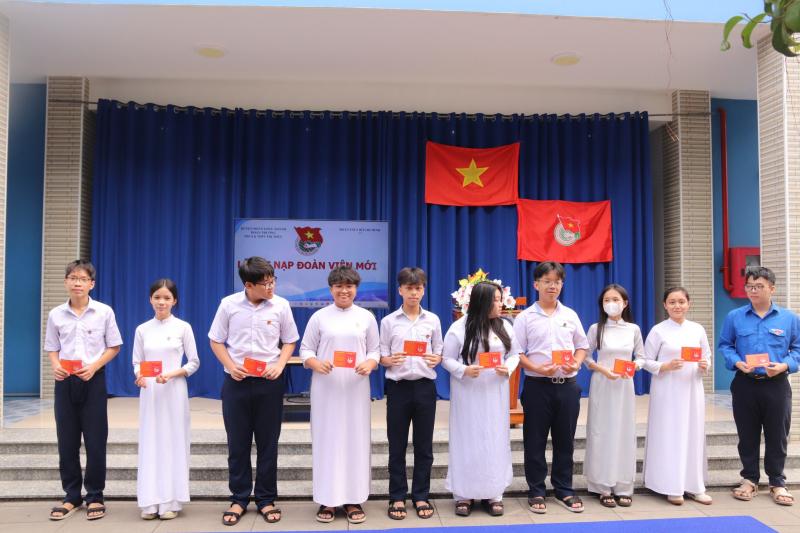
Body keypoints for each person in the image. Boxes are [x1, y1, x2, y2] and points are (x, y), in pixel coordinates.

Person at [208, 257, 299, 526]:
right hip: (236, 382)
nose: (271, 287)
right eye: (265, 283)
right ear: (248, 285)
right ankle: (238, 499)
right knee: (237, 443)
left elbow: (290, 340)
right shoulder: (229, 305)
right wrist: (230, 365)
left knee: (268, 443)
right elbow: (215, 340)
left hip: (269, 383)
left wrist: (279, 365)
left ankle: (266, 499)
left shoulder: (281, 305)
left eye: (273, 281)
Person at [300, 265, 380, 524]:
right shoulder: (319, 317)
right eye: (339, 286)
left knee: (356, 439)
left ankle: (354, 499)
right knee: (328, 439)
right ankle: (327, 499)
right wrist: (315, 363)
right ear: (331, 289)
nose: (344, 290)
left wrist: (370, 363)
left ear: (356, 289)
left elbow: (375, 350)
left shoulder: (366, 317)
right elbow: (305, 349)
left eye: (349, 286)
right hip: (326, 387)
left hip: (356, 387)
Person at [45, 260, 123, 521]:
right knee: (66, 440)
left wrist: (94, 366)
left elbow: (114, 346)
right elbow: (52, 347)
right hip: (65, 381)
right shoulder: (56, 314)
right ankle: (71, 496)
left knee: (95, 440)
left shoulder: (104, 312)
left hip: (93, 380)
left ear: (92, 284)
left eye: (82, 279)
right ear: (66, 282)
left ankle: (95, 495)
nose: (77, 283)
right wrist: (56, 365)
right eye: (73, 278)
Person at [719, 266, 799, 507]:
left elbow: (797, 349)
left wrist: (784, 366)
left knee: (777, 434)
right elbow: (725, 345)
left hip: (776, 384)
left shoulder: (789, 318)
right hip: (745, 383)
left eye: (759, 286)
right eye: (749, 286)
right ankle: (749, 479)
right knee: (747, 435)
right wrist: (737, 362)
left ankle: (777, 482)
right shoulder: (735, 317)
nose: (753, 291)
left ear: (772, 289)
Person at [513, 261, 588, 514]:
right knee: (534, 440)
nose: (552, 286)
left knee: (565, 440)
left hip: (568, 386)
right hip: (537, 386)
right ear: (536, 284)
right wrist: (535, 367)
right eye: (547, 281)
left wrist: (576, 362)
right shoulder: (525, 317)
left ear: (562, 285)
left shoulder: (570, 315)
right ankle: (536, 490)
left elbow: (582, 346)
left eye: (557, 282)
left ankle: (564, 489)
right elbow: (517, 352)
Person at [441, 281, 521, 517]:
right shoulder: (459, 328)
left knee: (494, 439)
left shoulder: (505, 326)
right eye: (495, 300)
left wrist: (508, 367)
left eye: (500, 299)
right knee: (467, 440)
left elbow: (515, 354)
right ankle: (463, 495)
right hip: (468, 394)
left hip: (495, 393)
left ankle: (494, 494)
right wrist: (464, 370)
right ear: (482, 302)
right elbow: (446, 359)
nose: (500, 304)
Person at [379, 267, 443, 520]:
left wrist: (436, 358)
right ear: (400, 290)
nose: (414, 293)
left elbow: (439, 350)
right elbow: (381, 354)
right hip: (398, 388)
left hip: (425, 388)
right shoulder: (388, 321)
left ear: (423, 290)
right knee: (397, 446)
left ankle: (421, 496)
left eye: (418, 288)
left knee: (424, 446)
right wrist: (388, 360)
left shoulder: (433, 320)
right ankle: (397, 496)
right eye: (409, 288)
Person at [133, 279, 200, 520]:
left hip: (174, 391)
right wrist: (140, 376)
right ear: (150, 299)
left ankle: (171, 501)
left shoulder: (183, 327)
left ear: (174, 301)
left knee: (173, 441)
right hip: (150, 393)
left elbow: (194, 362)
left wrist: (172, 374)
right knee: (151, 441)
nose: (161, 302)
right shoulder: (142, 329)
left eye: (166, 298)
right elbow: (137, 362)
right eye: (157, 297)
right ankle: (150, 502)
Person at [640, 287, 712, 505]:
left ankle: (694, 485)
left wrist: (704, 365)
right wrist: (665, 366)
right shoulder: (658, 331)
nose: (677, 306)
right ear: (665, 305)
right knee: (669, 434)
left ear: (688, 304)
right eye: (672, 302)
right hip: (667, 390)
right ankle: (670, 485)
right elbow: (645, 360)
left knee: (693, 433)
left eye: (681, 301)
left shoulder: (697, 329)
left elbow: (707, 356)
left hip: (692, 388)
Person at [583, 284, 644, 508]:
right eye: (607, 300)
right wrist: (602, 369)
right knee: (601, 431)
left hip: (624, 384)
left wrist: (633, 367)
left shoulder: (633, 329)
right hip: (602, 383)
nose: (611, 303)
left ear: (625, 303)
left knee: (623, 431)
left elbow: (642, 357)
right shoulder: (596, 328)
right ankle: (602, 486)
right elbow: (585, 357)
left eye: (616, 299)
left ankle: (623, 486)